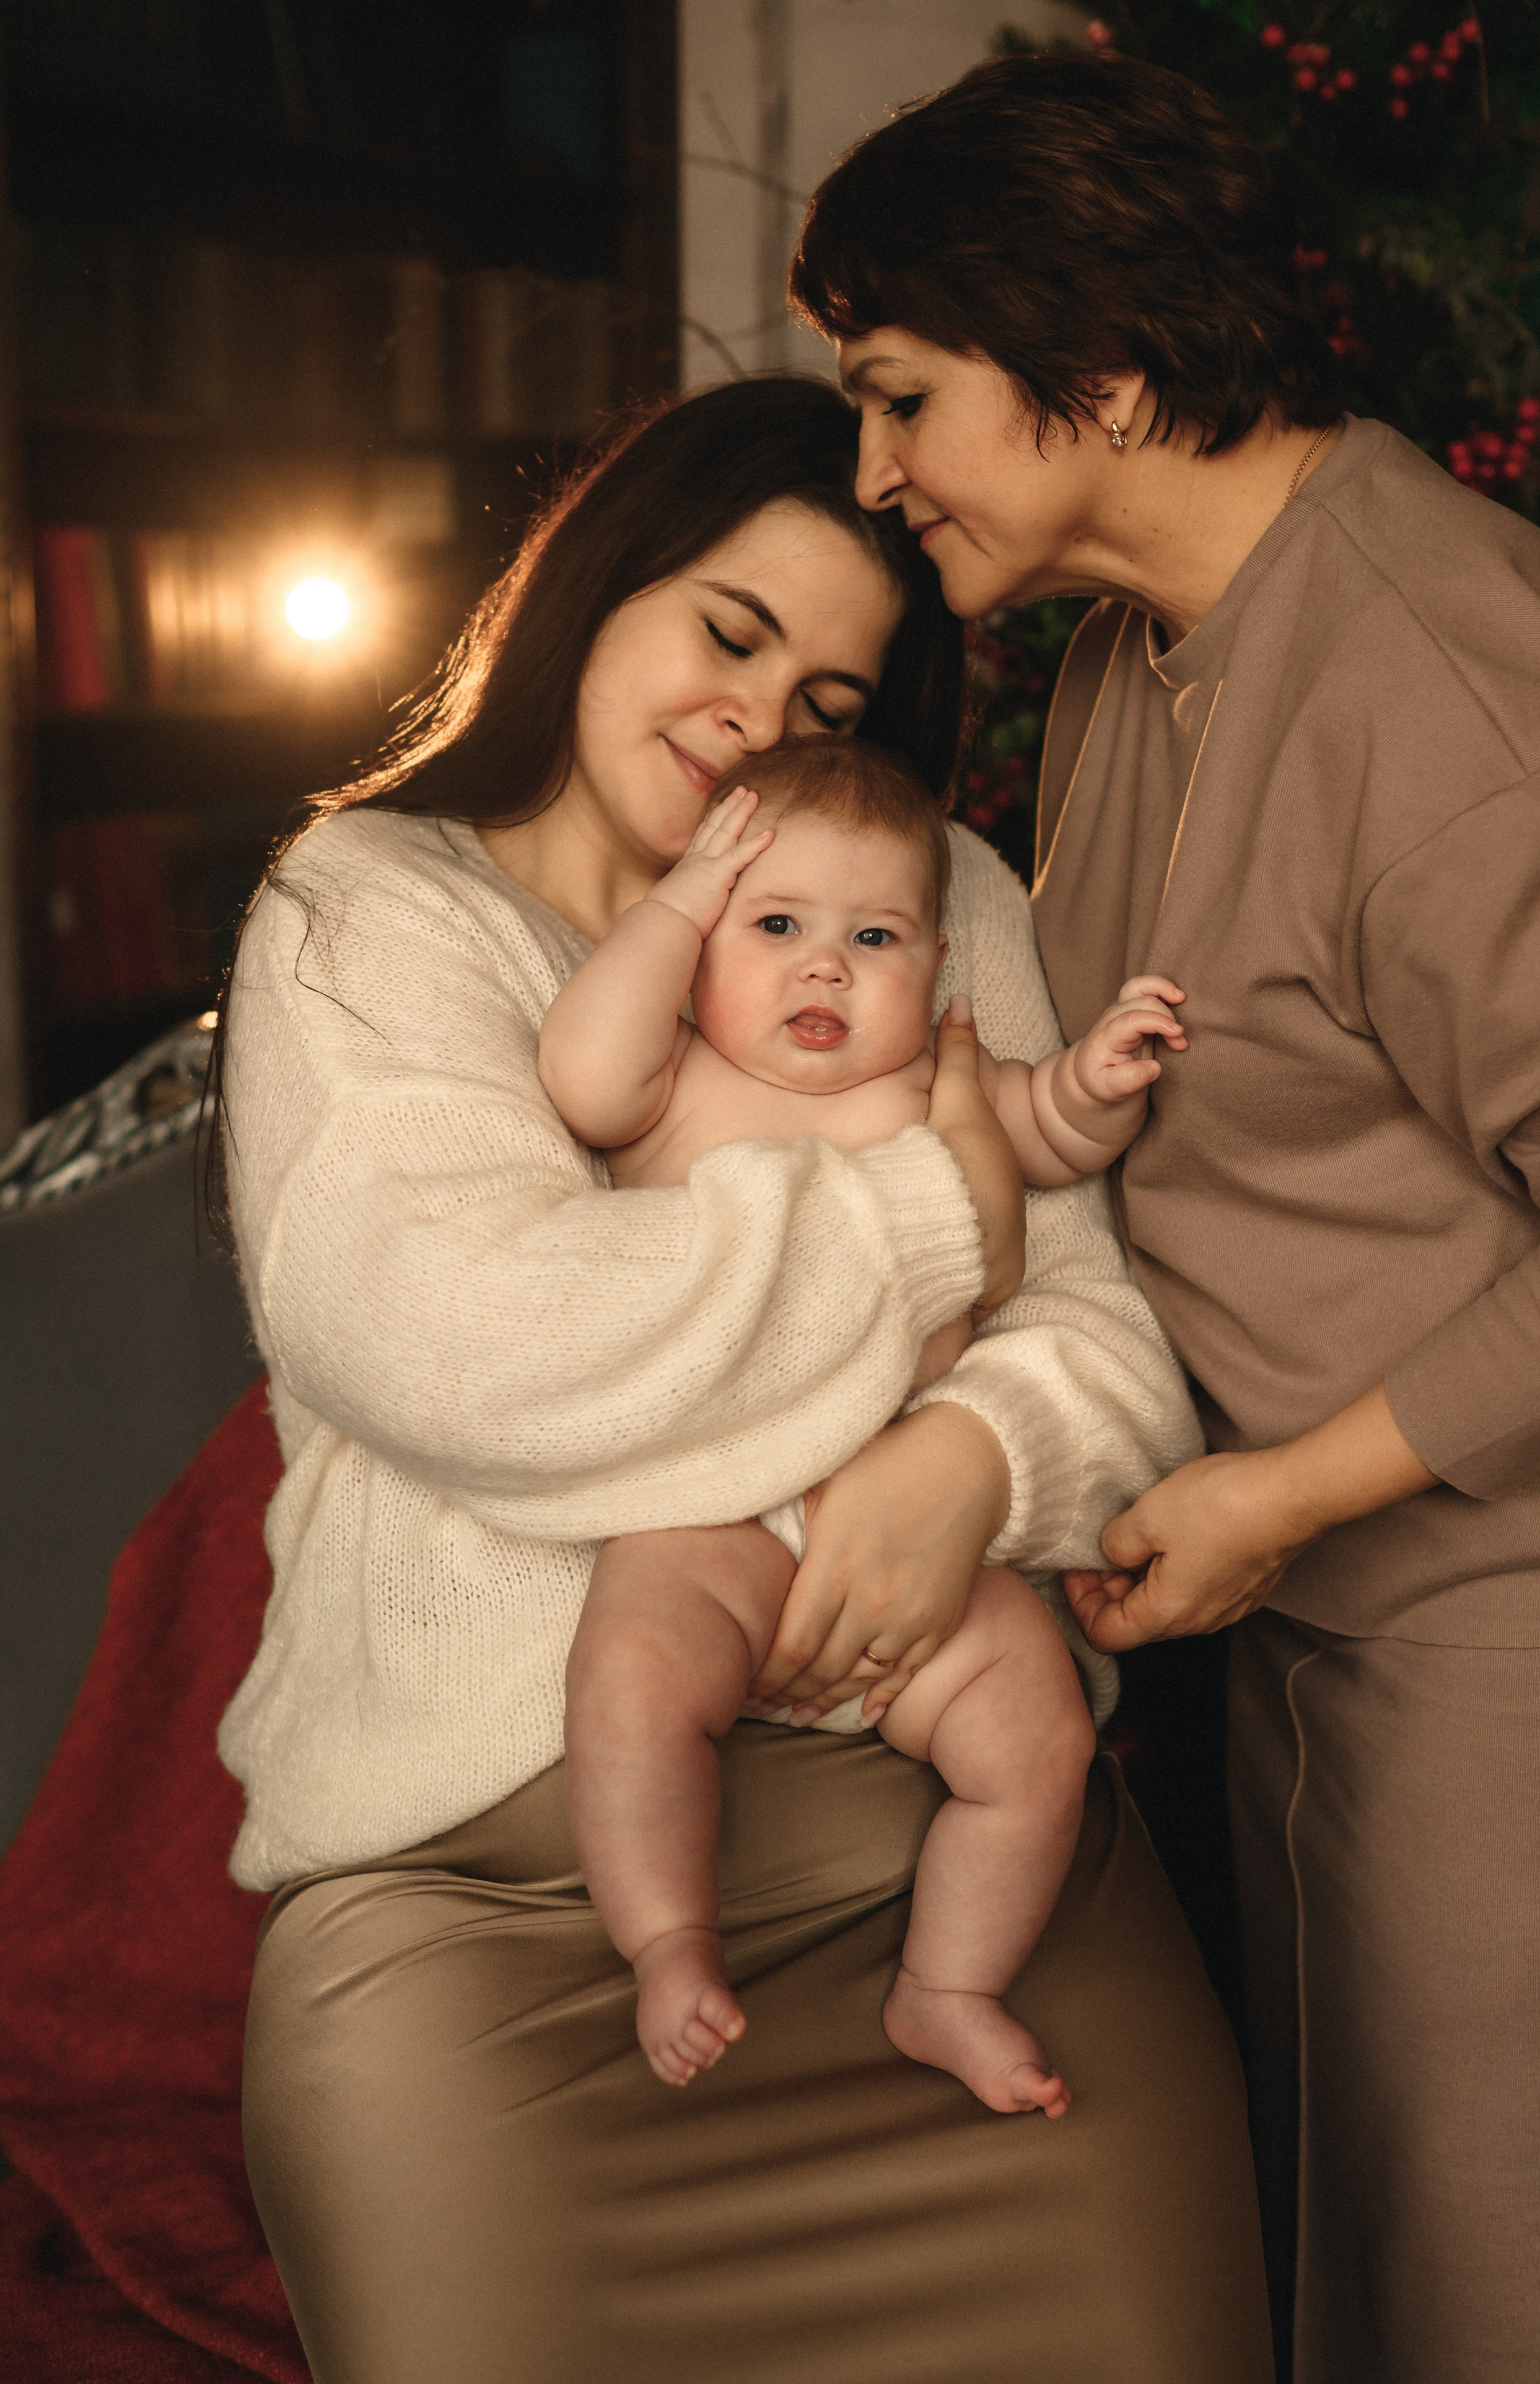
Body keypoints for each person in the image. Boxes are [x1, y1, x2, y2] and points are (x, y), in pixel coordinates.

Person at [218, 374, 1274, 2383]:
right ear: (595, 584)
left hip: (955, 1863)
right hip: (498, 1932)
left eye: (828, 696)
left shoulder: (932, 889)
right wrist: (939, 1223)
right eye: (729, 630)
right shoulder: (368, 907)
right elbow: (479, 1346)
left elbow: (1116, 1361)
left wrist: (975, 1457)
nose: (757, 718)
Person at [792, 44, 1540, 2384]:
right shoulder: (1129, 657)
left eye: (903, 396)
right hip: (1312, 1637)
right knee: (1345, 2285)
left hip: (1522, 1649)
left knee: (1498, 2297)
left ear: (1107, 372)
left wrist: (1288, 1490)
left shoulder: (1449, 678)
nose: (872, 472)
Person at [541, 734, 1187, 2112]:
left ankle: (945, 1987)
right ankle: (669, 1941)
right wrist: (676, 907)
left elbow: (1053, 1132)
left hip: (905, 1520)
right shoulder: (671, 1080)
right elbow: (582, 1072)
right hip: (710, 1510)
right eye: (775, 926)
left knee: (1040, 1736)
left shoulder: (933, 1090)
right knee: (631, 1684)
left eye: (873, 937)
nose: (825, 968)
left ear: (936, 967)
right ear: (697, 948)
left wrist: (1093, 1079)